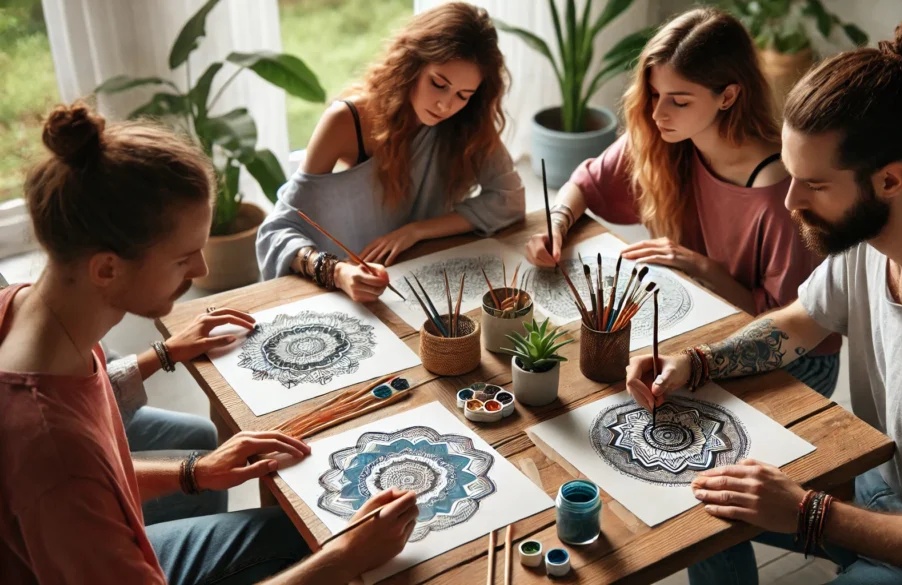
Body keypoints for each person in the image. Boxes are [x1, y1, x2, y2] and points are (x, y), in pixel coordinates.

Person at [625, 19, 902, 585]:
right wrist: (698, 362)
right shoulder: (875, 235)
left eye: (813, 185)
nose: (790, 201)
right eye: (791, 176)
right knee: (701, 495)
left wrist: (808, 512)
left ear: (889, 180)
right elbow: (796, 324)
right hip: (880, 485)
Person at [0, 102, 419, 585]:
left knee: (289, 523)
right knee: (327, 549)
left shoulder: (39, 311)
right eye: (183, 259)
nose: (201, 272)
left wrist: (194, 473)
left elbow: (103, 482)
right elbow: (78, 481)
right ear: (107, 268)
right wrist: (342, 560)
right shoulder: (54, 456)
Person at [524, 7, 841, 397]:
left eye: (679, 100)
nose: (658, 112)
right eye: (655, 94)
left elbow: (779, 320)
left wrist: (697, 264)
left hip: (792, 360)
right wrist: (556, 224)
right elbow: (586, 183)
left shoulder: (779, 192)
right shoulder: (666, 138)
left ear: (728, 96)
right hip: (711, 323)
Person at [257, 2, 525, 303]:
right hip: (342, 288)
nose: (445, 106)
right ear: (411, 64)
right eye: (438, 84)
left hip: (416, 279)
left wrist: (416, 231)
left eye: (463, 95)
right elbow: (278, 230)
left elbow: (509, 198)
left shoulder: (465, 122)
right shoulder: (348, 121)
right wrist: (337, 272)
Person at [104, 309, 258, 525]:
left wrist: (166, 352)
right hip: (76, 514)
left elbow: (93, 387)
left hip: (91, 423)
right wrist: (193, 473)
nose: (201, 273)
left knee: (200, 433)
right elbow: (88, 480)